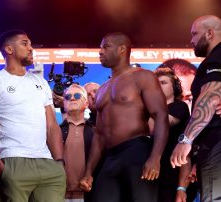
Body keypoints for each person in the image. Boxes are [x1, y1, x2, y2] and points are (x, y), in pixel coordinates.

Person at [79, 32, 169, 202]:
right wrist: (89, 172)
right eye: (100, 47)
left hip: (137, 150)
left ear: (122, 49)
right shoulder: (103, 89)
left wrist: (155, 157)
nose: (100, 51)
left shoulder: (142, 76)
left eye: (106, 46)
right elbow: (99, 135)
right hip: (110, 157)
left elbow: (160, 115)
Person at [0, 29, 66, 202]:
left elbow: (51, 126)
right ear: (9, 49)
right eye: (25, 43)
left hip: (48, 164)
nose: (31, 48)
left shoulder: (40, 82)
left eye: (30, 44)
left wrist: (59, 162)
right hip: (13, 160)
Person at [170, 15, 221, 201]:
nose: (191, 40)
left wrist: (186, 139)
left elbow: (210, 98)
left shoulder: (217, 57)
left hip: (219, 143)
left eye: (195, 34)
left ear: (210, 33)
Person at [153, 68, 197, 202]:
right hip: (151, 177)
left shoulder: (179, 106)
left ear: (175, 88)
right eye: (155, 83)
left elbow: (157, 127)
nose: (158, 86)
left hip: (171, 176)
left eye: (163, 82)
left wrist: (181, 189)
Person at [60, 84, 94, 202]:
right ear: (64, 104)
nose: (72, 98)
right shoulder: (55, 131)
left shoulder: (96, 132)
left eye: (77, 95)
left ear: (86, 104)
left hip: (88, 195)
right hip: (58, 194)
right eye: (68, 97)